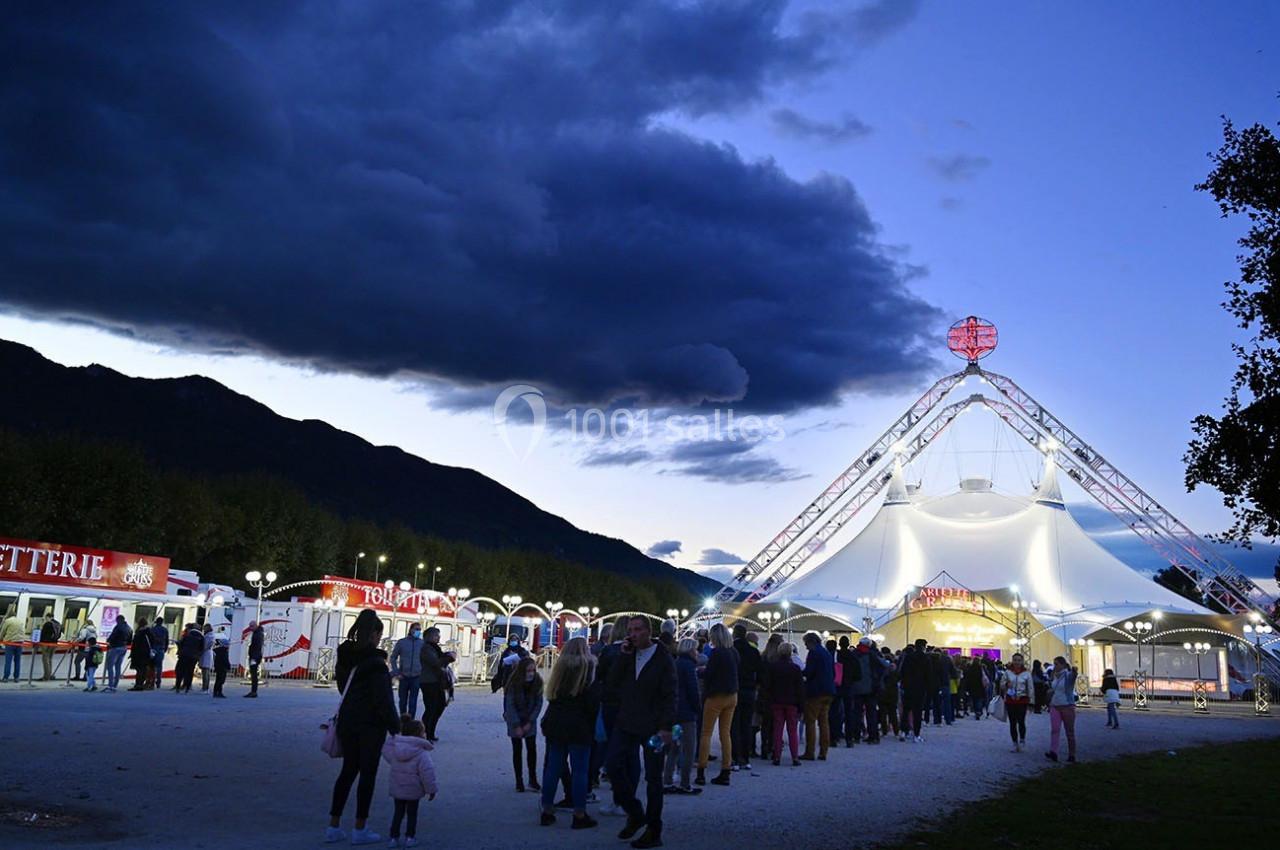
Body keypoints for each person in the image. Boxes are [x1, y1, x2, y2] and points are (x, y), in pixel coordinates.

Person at [327, 609, 401, 846]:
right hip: (370, 725)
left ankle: (334, 825)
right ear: (374, 634)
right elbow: (384, 700)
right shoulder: (377, 664)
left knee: (347, 772)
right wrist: (395, 727)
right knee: (367, 775)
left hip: (348, 720)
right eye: (379, 635)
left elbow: (342, 687)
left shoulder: (345, 656)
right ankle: (360, 827)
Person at [605, 615, 676, 850]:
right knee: (613, 764)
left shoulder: (663, 658)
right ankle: (635, 811)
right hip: (627, 721)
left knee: (654, 778)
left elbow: (670, 694)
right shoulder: (628, 654)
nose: (633, 634)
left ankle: (654, 829)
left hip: (654, 726)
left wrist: (666, 726)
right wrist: (623, 657)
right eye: (630, 630)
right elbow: (612, 684)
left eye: (637, 630)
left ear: (648, 631)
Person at [539, 636, 602, 828]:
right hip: (580, 724)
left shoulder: (560, 668)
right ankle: (579, 813)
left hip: (556, 722)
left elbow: (552, 696)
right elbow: (593, 702)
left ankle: (547, 810)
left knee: (553, 768)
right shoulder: (588, 668)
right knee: (580, 771)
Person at [382, 714, 437, 848]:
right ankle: (410, 837)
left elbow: (385, 749)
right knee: (412, 814)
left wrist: (395, 737)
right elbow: (427, 773)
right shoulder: (422, 753)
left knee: (398, 813)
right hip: (413, 789)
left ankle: (394, 837)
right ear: (420, 735)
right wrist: (432, 790)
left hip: (397, 787)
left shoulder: (395, 750)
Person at [694, 623, 738, 787]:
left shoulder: (717, 653)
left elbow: (710, 674)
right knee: (725, 733)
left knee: (706, 733)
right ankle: (726, 771)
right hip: (732, 695)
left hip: (716, 696)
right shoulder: (733, 652)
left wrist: (701, 671)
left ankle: (701, 772)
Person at [663, 638, 702, 795]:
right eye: (696, 649)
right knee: (689, 749)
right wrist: (697, 708)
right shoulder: (690, 666)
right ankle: (685, 783)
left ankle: (667, 781)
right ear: (691, 650)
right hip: (686, 714)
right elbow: (693, 690)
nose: (697, 652)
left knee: (673, 748)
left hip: (674, 712)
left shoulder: (676, 663)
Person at [504, 656, 544, 792]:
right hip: (515, 720)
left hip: (529, 720)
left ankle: (532, 779)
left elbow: (539, 704)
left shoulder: (538, 682)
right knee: (517, 751)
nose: (531, 673)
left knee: (531, 750)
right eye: (528, 671)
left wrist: (530, 721)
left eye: (533, 670)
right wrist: (516, 725)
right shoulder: (513, 683)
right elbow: (510, 705)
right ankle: (519, 780)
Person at [767, 642, 805, 766]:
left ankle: (776, 756)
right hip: (792, 702)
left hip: (777, 701)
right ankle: (795, 757)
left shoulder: (773, 667)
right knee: (792, 730)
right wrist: (801, 706)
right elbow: (800, 689)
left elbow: (769, 686)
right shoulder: (795, 668)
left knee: (778, 730)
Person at [800, 631, 835, 760]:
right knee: (824, 722)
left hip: (815, 692)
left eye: (806, 644)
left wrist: (800, 672)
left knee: (810, 722)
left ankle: (810, 752)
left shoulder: (813, 653)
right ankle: (823, 751)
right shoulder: (827, 653)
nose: (806, 647)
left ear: (811, 642)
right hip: (828, 691)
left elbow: (809, 672)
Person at [730, 624, 760, 771]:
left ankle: (735, 758)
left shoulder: (731, 650)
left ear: (734, 634)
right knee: (746, 725)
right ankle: (745, 759)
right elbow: (759, 672)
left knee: (734, 725)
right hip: (749, 690)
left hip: (734, 690)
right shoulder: (753, 651)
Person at [848, 637, 887, 744]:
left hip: (856, 688)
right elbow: (885, 666)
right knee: (871, 713)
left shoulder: (854, 654)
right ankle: (873, 736)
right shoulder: (873, 654)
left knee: (857, 713)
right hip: (871, 688)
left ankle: (856, 735)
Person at [419, 627, 454, 741]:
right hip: (429, 682)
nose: (438, 637)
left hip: (437, 682)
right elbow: (435, 663)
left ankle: (430, 732)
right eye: (436, 635)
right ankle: (425, 733)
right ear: (429, 636)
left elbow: (440, 659)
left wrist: (447, 656)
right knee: (431, 708)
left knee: (439, 706)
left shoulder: (435, 648)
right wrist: (448, 658)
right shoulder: (426, 648)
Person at [1045, 656, 1078, 764]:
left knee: (1069, 731)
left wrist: (1074, 671)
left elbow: (1073, 677)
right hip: (1055, 705)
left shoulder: (1068, 675)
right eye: (1054, 664)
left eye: (1057, 664)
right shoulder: (1055, 676)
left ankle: (1072, 754)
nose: (1055, 666)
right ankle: (1053, 751)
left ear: (1063, 665)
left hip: (1067, 705)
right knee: (1055, 729)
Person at [897, 639, 931, 742]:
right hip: (920, 688)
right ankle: (916, 734)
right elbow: (928, 674)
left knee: (906, 710)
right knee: (917, 712)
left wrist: (903, 684)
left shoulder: (908, 657)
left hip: (908, 687)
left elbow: (902, 672)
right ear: (923, 646)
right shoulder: (926, 658)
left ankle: (903, 731)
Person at [1000, 652, 1033, 752]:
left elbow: (1030, 688)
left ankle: (1022, 739)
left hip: (1022, 700)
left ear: (1022, 661)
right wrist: (1006, 685)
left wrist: (1031, 702)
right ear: (1012, 661)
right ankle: (1015, 743)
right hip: (1010, 700)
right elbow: (1001, 684)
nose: (1017, 662)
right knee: (1012, 723)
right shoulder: (1007, 672)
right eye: (1015, 660)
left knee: (1021, 721)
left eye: (1019, 660)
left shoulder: (1027, 673)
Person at [390, 624, 424, 717]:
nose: (418, 631)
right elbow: (393, 657)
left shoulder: (422, 644)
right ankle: (403, 719)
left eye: (419, 630)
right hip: (403, 675)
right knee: (403, 700)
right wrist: (396, 672)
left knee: (413, 701)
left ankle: (411, 720)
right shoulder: (402, 643)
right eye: (416, 629)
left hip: (416, 676)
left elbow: (425, 659)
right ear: (410, 629)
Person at [877, 647, 900, 739]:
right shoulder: (895, 671)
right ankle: (896, 731)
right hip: (893, 693)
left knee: (883, 713)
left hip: (882, 693)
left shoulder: (882, 670)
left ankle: (884, 730)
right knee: (893, 713)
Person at [104, 615, 131, 693]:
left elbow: (113, 636)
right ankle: (115, 685)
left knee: (110, 666)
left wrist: (109, 641)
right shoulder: (129, 628)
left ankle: (110, 685)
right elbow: (130, 640)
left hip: (115, 647)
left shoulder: (118, 627)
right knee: (118, 666)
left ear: (118, 620)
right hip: (124, 648)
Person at [174, 622, 204, 693]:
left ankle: (178, 686)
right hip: (193, 657)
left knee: (180, 670)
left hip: (184, 655)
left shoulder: (187, 635)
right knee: (190, 671)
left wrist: (180, 651)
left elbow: (181, 643)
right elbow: (201, 648)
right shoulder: (201, 637)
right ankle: (187, 686)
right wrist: (198, 655)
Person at [128, 618, 153, 691]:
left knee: (139, 669)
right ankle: (141, 684)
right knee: (144, 669)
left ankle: (138, 684)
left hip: (138, 653)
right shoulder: (149, 632)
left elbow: (135, 644)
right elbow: (152, 641)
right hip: (146, 653)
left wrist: (132, 654)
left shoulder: (139, 632)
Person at [962, 651, 988, 722]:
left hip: (972, 686)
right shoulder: (981, 668)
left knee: (973, 699)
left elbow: (967, 678)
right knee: (978, 699)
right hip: (980, 686)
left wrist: (966, 687)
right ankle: (978, 711)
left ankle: (975, 710)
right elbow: (985, 676)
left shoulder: (970, 668)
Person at [0, 609, 24, 681]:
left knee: (8, 660)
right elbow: (22, 631)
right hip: (20, 643)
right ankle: (16, 677)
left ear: (8, 615)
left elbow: (3, 631)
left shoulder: (8, 621)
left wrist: (0, 639)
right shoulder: (20, 621)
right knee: (17, 660)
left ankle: (6, 677)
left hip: (10, 643)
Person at [39, 613, 62, 681]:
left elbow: (43, 634)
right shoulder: (58, 624)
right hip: (54, 644)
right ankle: (50, 675)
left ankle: (46, 676)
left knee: (45, 660)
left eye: (46, 617)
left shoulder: (47, 624)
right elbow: (59, 635)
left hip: (46, 644)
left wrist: (40, 642)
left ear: (48, 617)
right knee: (50, 659)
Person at [244, 620, 264, 697]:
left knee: (254, 674)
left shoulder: (258, 634)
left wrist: (253, 657)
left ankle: (254, 691)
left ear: (256, 625)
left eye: (251, 626)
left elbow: (257, 646)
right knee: (253, 673)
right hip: (254, 656)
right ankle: (253, 691)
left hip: (255, 657)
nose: (250, 628)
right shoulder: (257, 633)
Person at [149, 616, 169, 689]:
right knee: (159, 666)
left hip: (153, 648)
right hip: (161, 649)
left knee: (152, 666)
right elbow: (167, 640)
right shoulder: (165, 630)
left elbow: (150, 640)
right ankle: (158, 682)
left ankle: (151, 681)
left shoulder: (152, 629)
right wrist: (165, 649)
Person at [199, 624, 214, 692]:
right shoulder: (209, 635)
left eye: (205, 628)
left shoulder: (209, 635)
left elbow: (208, 644)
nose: (204, 629)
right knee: (205, 671)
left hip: (206, 654)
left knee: (206, 672)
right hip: (206, 653)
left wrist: (204, 648)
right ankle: (204, 687)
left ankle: (205, 687)